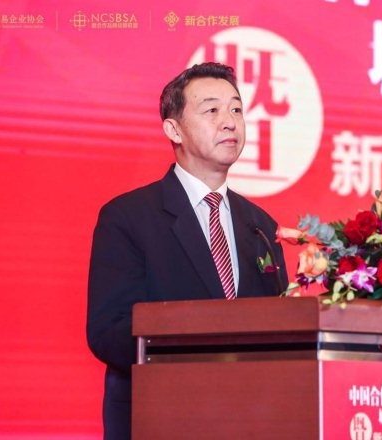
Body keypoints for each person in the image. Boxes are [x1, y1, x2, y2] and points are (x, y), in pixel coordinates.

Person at [86, 62, 288, 439]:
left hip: (251, 420)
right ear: (173, 129)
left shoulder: (260, 225)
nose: (229, 122)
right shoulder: (128, 217)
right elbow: (108, 332)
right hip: (161, 418)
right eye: (212, 110)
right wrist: (207, 350)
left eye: (236, 109)